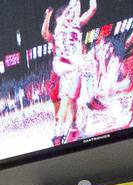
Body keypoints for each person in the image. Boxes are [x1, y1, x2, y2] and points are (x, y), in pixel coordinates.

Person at [41, 0, 99, 145]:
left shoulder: (74, 25)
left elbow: (91, 10)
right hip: (60, 74)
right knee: (63, 103)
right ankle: (58, 132)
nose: (71, 15)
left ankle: (71, 126)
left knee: (72, 99)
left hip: (71, 68)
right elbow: (44, 33)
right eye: (68, 13)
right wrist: (48, 16)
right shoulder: (56, 35)